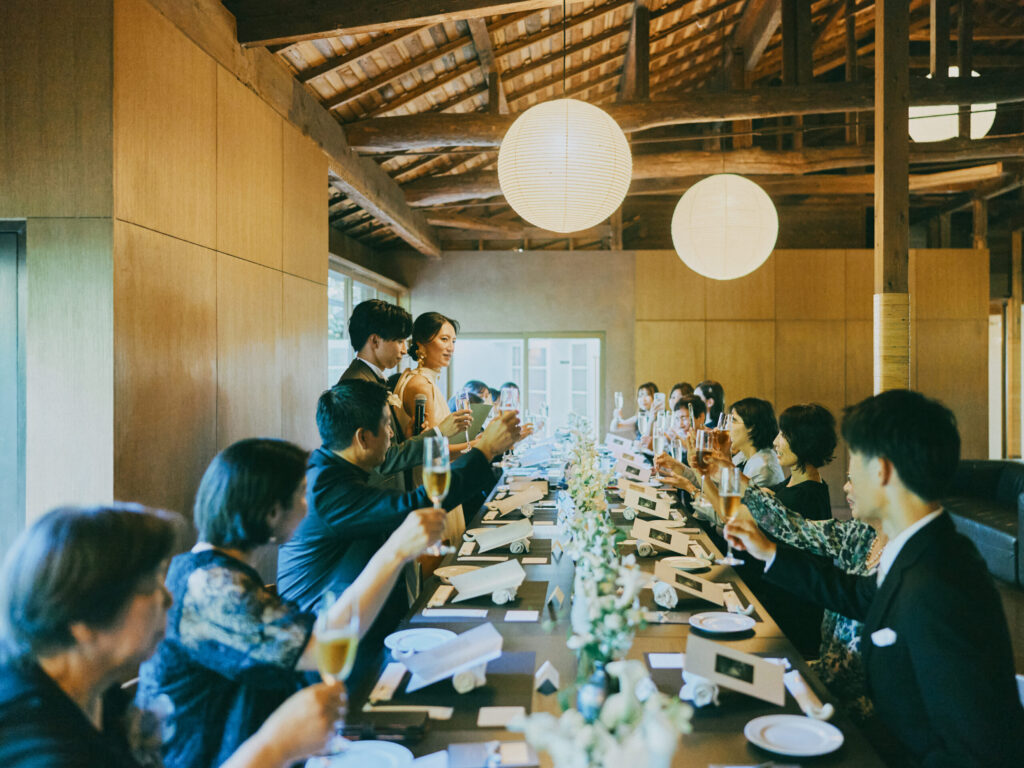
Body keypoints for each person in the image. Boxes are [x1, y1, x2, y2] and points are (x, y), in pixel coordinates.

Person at [725, 389, 1024, 767]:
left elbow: (975, 748)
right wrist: (768, 552)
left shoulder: (941, 582)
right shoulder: (915, 548)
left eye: (856, 464)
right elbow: (854, 593)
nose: (846, 482)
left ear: (881, 470)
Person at [138, 439, 445, 768]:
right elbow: (323, 646)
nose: (307, 505)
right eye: (301, 493)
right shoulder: (208, 586)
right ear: (272, 512)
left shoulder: (209, 572)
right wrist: (396, 552)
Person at [0, 504, 346, 768]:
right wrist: (274, 747)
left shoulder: (95, 694)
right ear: (82, 620)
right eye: (150, 584)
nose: (168, 597)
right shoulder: (33, 744)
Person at [277, 381, 519, 687]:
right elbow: (414, 508)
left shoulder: (331, 471)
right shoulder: (327, 489)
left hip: (361, 632)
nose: (392, 434)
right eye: (387, 425)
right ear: (363, 437)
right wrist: (484, 451)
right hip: (328, 653)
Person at [338, 300, 471, 492]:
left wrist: (406, 438)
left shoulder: (371, 379)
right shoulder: (357, 385)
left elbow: (386, 448)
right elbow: (382, 461)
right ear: (375, 341)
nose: (404, 350)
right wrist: (440, 432)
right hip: (378, 498)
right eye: (399, 341)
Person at [394, 312, 459, 437]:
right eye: (444, 339)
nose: (451, 348)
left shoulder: (425, 380)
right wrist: (481, 443)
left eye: (454, 341)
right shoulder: (421, 384)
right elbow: (431, 445)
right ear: (422, 343)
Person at [771, 403, 837, 521]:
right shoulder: (801, 480)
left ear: (805, 440)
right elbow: (770, 491)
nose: (775, 442)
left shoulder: (800, 498)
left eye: (784, 435)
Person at [728, 397, 785, 487]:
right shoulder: (745, 454)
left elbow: (728, 491)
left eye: (733, 420)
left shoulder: (762, 468)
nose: (727, 426)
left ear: (751, 427)